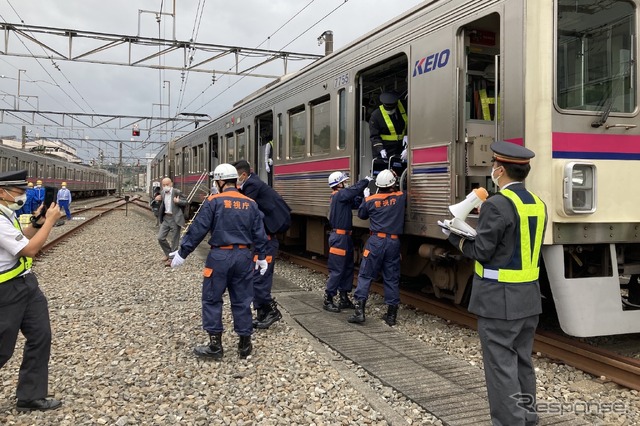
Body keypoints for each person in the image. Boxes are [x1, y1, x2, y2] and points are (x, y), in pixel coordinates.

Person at [444, 141, 547, 426]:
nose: (492, 169)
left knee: (500, 366)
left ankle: (509, 422)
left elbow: (482, 252)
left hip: (498, 300)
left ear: (499, 170)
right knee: (522, 362)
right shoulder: (538, 205)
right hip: (528, 297)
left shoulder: (498, 205)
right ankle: (527, 417)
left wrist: (455, 236)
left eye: (492, 165)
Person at [170, 163, 269, 359]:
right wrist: (262, 257)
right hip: (243, 257)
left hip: (219, 256)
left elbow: (199, 229)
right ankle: (244, 345)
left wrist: (183, 252)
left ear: (221, 181)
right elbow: (260, 233)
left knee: (212, 299)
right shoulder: (250, 203)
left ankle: (215, 346)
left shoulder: (214, 201)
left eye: (216, 181)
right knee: (242, 300)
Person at [0, 170, 64, 412]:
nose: (23, 196)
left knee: (40, 337)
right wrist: (49, 222)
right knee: (2, 349)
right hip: (5, 291)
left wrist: (37, 222)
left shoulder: (7, 214)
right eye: (19, 192)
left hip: (26, 285)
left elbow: (23, 239)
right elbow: (29, 251)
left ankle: (30, 396)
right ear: (1, 192)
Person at [233, 160, 291, 329]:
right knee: (258, 277)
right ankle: (262, 313)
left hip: (267, 240)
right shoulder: (251, 183)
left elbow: (244, 207)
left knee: (259, 278)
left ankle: (270, 311)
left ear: (243, 175)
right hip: (264, 239)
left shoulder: (252, 185)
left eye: (235, 177)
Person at [348, 169, 406, 326]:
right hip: (393, 242)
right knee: (391, 278)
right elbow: (402, 185)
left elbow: (361, 215)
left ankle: (359, 312)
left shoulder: (370, 200)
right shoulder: (400, 197)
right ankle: (391, 316)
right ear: (393, 184)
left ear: (378, 185)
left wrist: (366, 197)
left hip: (376, 241)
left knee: (365, 275)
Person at [323, 171, 371, 312]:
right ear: (338, 184)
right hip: (339, 238)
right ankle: (328, 299)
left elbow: (355, 201)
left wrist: (364, 197)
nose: (346, 183)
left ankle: (344, 297)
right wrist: (365, 181)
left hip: (345, 237)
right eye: (344, 181)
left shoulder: (341, 198)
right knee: (337, 270)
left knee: (348, 267)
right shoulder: (338, 195)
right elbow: (353, 191)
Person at [155, 177, 187, 266]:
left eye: (167, 184)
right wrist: (158, 200)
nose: (165, 186)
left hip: (175, 218)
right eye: (163, 185)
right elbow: (162, 205)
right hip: (166, 218)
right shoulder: (162, 193)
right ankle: (168, 254)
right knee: (160, 238)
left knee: (174, 240)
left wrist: (178, 201)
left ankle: (172, 259)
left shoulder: (177, 192)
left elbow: (186, 201)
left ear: (171, 184)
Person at [369, 91, 408, 161]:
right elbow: (374, 136)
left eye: (392, 108)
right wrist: (380, 149)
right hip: (385, 150)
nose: (390, 111)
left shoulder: (403, 108)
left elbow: (411, 123)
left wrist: (407, 139)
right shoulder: (376, 116)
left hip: (401, 147)